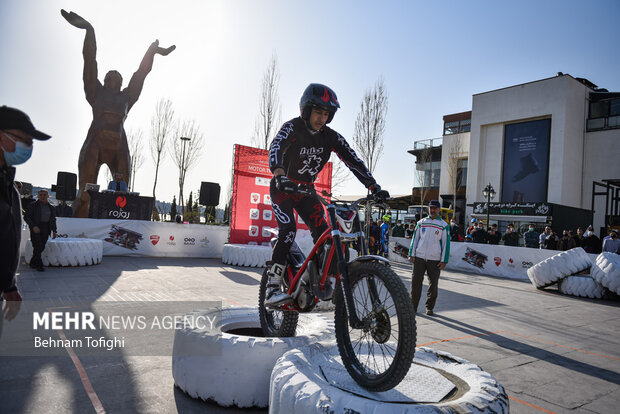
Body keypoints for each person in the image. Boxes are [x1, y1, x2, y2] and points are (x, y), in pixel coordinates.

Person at [265, 83, 388, 306]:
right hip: (283, 188)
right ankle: (272, 286)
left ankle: (318, 280)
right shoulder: (291, 128)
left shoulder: (331, 137)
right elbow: (276, 147)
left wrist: (374, 187)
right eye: (317, 112)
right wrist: (279, 174)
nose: (322, 118)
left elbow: (353, 160)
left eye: (326, 114)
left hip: (306, 191)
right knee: (288, 230)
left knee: (327, 236)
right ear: (306, 109)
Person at [61, 10, 175, 217]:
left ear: (121, 83)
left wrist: (152, 52)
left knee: (124, 198)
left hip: (119, 145)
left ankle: (118, 232)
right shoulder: (96, 93)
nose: (112, 79)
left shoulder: (126, 98)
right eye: (109, 77)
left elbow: (141, 74)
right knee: (86, 194)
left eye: (115, 77)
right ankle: (80, 228)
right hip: (95, 143)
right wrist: (89, 30)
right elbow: (89, 60)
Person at [0, 106, 51, 320]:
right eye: (24, 140)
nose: (29, 148)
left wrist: (9, 285)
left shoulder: (8, 187)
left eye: (31, 143)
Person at [408, 200, 450, 316]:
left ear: (439, 209)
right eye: (431, 208)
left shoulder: (444, 225)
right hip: (419, 258)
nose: (433, 210)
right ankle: (413, 307)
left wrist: (443, 260)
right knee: (415, 284)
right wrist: (412, 254)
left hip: (435, 259)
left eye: (435, 208)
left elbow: (446, 244)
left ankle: (429, 307)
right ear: (428, 209)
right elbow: (415, 239)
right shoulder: (421, 223)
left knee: (433, 285)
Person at [24, 189, 58, 271]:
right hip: (36, 227)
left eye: (44, 195)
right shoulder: (32, 205)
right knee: (38, 245)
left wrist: (54, 231)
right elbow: (26, 217)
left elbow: (53, 219)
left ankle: (33, 262)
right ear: (38, 196)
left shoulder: (51, 207)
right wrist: (33, 226)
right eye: (41, 195)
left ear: (48, 196)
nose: (42, 196)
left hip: (46, 228)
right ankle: (39, 265)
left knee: (41, 246)